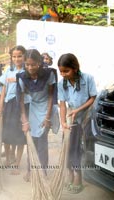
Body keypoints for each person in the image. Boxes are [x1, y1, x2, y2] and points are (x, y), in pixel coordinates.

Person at [16, 49, 59, 182]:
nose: (30, 68)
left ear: (39, 63)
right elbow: (21, 101)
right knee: (31, 141)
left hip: (46, 107)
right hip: (33, 108)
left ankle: (43, 172)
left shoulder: (49, 74)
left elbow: (51, 95)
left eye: (33, 64)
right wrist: (24, 121)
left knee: (42, 142)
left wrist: (47, 118)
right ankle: (30, 169)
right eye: (27, 64)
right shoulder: (22, 77)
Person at [57, 53, 97, 194]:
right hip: (71, 119)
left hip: (86, 117)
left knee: (78, 150)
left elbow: (93, 98)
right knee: (67, 147)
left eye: (66, 71)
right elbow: (62, 105)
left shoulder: (88, 78)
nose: (63, 74)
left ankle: (78, 177)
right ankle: (70, 173)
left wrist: (78, 110)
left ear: (75, 68)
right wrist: (63, 122)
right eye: (61, 71)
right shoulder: (62, 83)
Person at [0, 46, 29, 175]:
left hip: (22, 105)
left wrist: (18, 79)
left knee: (20, 134)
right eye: (14, 56)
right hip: (9, 104)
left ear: (24, 56)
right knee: (7, 133)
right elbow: (4, 87)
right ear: (11, 57)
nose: (17, 59)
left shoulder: (29, 71)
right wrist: (1, 103)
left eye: (19, 56)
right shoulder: (8, 71)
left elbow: (29, 87)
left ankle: (17, 163)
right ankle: (9, 158)